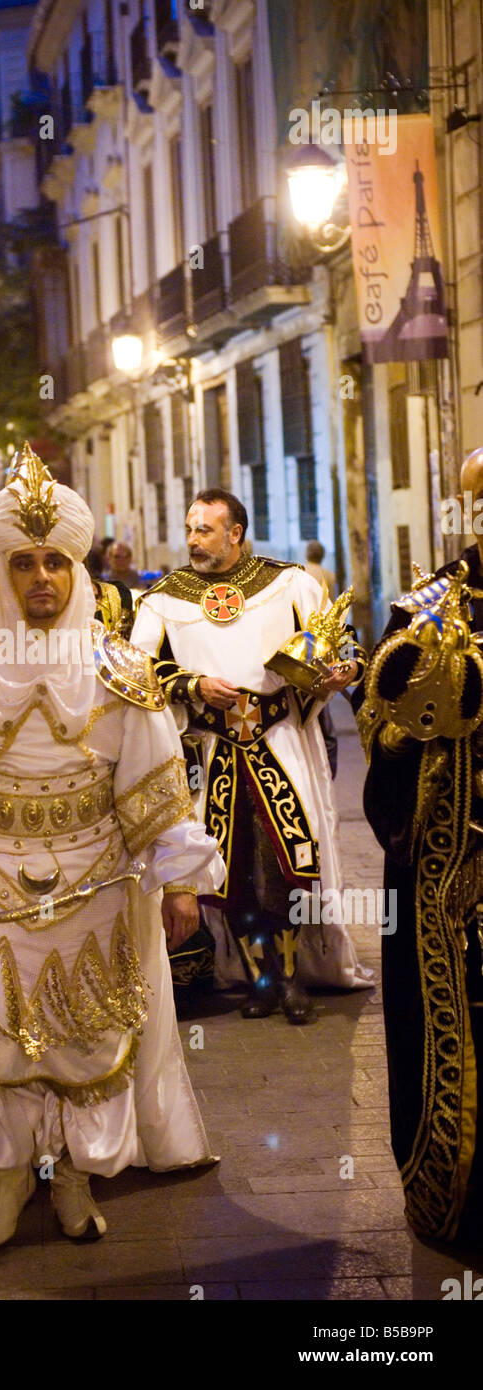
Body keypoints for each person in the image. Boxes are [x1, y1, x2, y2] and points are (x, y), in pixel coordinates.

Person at [0, 443, 226, 1248]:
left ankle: (74, 1177)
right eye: (23, 564)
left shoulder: (123, 671)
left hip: (97, 884)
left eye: (54, 562)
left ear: (76, 570)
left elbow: (156, 786)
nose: (41, 580)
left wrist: (184, 881)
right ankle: (6, 1176)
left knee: (85, 1041)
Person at [132, 487, 372, 1023]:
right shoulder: (164, 598)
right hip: (212, 752)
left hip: (280, 743)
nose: (193, 540)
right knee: (228, 872)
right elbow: (138, 670)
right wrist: (192, 685)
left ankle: (289, 978)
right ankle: (259, 979)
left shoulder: (289, 583)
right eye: (190, 529)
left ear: (235, 534)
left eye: (205, 530)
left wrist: (344, 670)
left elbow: (341, 641)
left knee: (286, 865)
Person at [353, 447, 483, 1243]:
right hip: (455, 867)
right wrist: (417, 707)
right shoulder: (433, 606)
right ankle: (459, 1196)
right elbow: (377, 724)